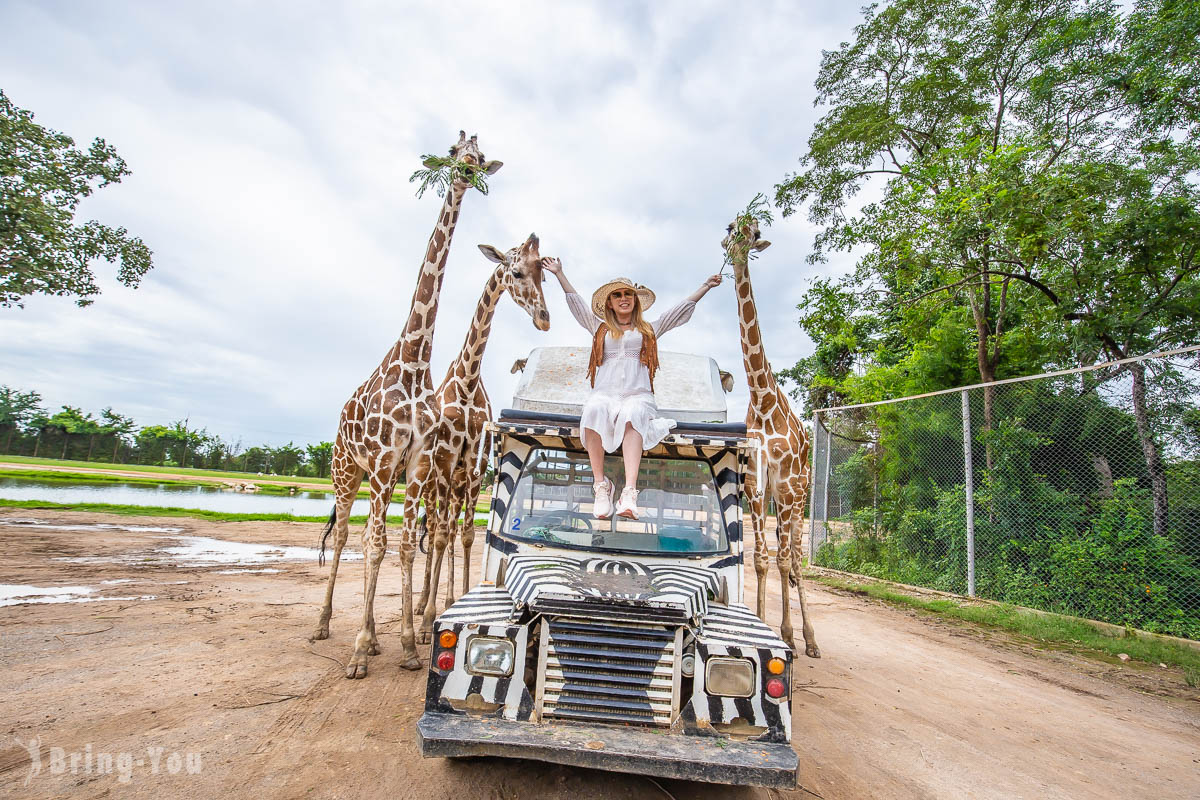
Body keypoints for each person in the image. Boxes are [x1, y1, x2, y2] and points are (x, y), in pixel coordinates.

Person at [542, 257, 722, 520]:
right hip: (605, 393)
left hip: (638, 394)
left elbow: (679, 311)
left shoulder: (649, 329)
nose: (623, 298)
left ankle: (629, 491)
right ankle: (601, 486)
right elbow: (577, 305)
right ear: (610, 303)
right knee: (592, 409)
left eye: (628, 294)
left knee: (633, 413)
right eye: (617, 295)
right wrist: (559, 274)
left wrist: (705, 286)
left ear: (635, 300)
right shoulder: (599, 328)